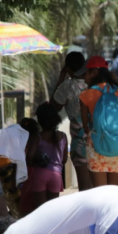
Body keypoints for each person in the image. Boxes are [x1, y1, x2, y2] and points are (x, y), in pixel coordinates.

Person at [78, 56, 118, 187]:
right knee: (113, 193)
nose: (84, 77)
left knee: (100, 194)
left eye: (86, 72)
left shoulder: (86, 94)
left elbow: (86, 126)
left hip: (97, 146)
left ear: (94, 72)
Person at [50, 51, 93, 191]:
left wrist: (61, 77)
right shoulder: (94, 83)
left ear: (68, 68)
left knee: (85, 186)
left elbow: (52, 107)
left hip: (80, 142)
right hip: (100, 140)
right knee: (99, 185)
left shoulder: (68, 86)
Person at [29, 103, 68, 210]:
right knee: (52, 210)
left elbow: (29, 156)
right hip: (56, 175)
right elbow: (64, 160)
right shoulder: (63, 136)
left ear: (40, 120)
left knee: (40, 210)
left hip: (39, 174)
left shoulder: (37, 137)